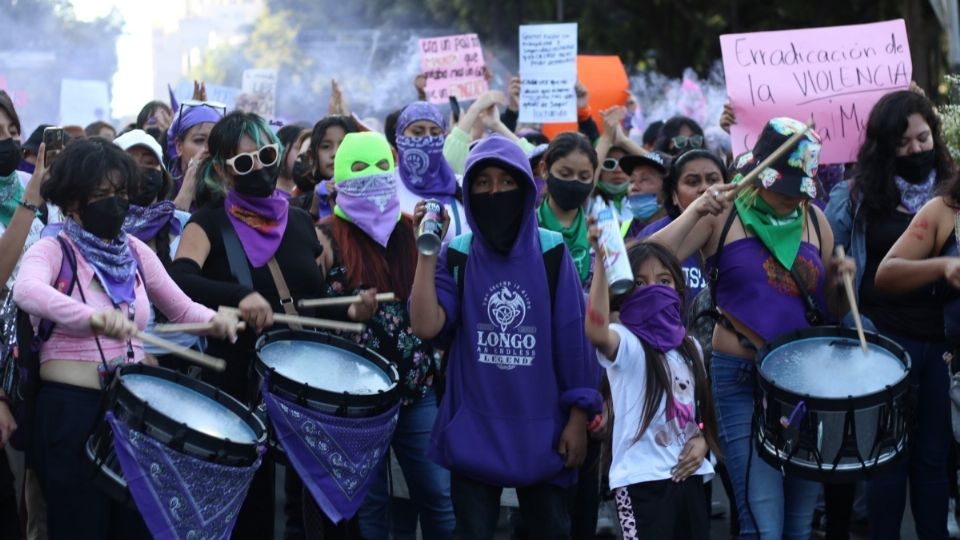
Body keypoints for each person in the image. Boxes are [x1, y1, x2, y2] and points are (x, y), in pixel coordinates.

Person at [12, 138, 239, 540]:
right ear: (72, 201)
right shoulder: (52, 248)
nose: (115, 202)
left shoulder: (134, 249)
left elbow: (181, 309)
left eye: (121, 192)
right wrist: (92, 318)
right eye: (102, 194)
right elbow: (27, 292)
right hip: (71, 413)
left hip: (132, 411)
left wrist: (217, 321)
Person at [169, 111, 377, 540]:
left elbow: (310, 304)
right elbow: (180, 279)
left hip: (305, 385)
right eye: (243, 163)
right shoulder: (208, 222)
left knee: (319, 507)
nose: (259, 168)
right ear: (224, 171)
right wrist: (237, 297)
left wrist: (352, 312)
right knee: (254, 510)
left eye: (264, 155)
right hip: (243, 386)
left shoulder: (300, 221)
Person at [650, 117, 854, 539]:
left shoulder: (816, 220)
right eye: (782, 188)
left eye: (797, 190)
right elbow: (648, 263)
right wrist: (693, 212)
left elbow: (830, 310)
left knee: (798, 524)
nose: (789, 199)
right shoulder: (721, 211)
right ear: (760, 173)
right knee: (762, 520)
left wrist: (840, 281)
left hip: (803, 383)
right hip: (740, 377)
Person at [410, 134, 601, 539]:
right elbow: (426, 326)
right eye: (482, 183)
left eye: (506, 181)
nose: (495, 191)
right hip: (475, 427)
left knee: (550, 530)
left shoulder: (552, 253)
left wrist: (578, 417)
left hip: (545, 428)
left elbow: (573, 341)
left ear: (526, 187)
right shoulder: (457, 254)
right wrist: (427, 254)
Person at [829, 89, 956, 540]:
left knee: (934, 460)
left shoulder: (952, 192)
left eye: (922, 138)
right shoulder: (855, 198)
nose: (916, 150)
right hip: (883, 344)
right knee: (887, 460)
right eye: (903, 144)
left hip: (942, 345)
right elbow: (831, 267)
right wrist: (836, 278)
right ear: (884, 147)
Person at [314, 131, 454, 539]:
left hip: (416, 389)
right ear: (339, 178)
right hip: (354, 399)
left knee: (437, 495)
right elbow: (305, 312)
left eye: (379, 167)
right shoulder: (322, 237)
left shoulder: (417, 233)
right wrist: (348, 310)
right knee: (371, 505)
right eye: (358, 169)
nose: (371, 178)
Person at [586, 240, 719, 540]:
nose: (653, 289)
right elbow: (595, 330)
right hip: (641, 484)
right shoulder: (625, 341)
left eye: (663, 281)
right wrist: (601, 266)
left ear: (678, 287)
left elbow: (697, 413)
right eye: (639, 283)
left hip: (692, 477)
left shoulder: (691, 347)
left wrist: (703, 441)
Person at [637, 149, 727, 303]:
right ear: (674, 196)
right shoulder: (654, 234)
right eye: (692, 182)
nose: (705, 189)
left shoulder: (739, 232)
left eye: (713, 180)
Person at [394, 101, 470, 242]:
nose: (428, 138)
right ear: (399, 136)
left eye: (435, 133)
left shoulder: (462, 185)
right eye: (418, 132)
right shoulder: (388, 186)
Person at [536, 132, 597, 288]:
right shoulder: (526, 228)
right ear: (544, 169)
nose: (574, 182)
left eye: (584, 177)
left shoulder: (599, 232)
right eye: (565, 174)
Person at [293, 116, 357, 221]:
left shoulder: (373, 200)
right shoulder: (294, 206)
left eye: (344, 145)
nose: (335, 153)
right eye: (326, 146)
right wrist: (314, 208)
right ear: (311, 156)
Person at [165, 100, 224, 211]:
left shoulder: (229, 190)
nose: (208, 149)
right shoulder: (162, 187)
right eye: (199, 140)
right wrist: (187, 190)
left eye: (214, 141)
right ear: (179, 147)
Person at [619, 151, 669, 239]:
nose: (634, 187)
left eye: (645, 179)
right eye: (632, 181)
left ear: (668, 187)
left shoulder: (683, 229)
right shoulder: (620, 231)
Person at [275, 123, 308, 195]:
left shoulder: (311, 195)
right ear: (281, 150)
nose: (305, 155)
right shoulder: (264, 194)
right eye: (299, 147)